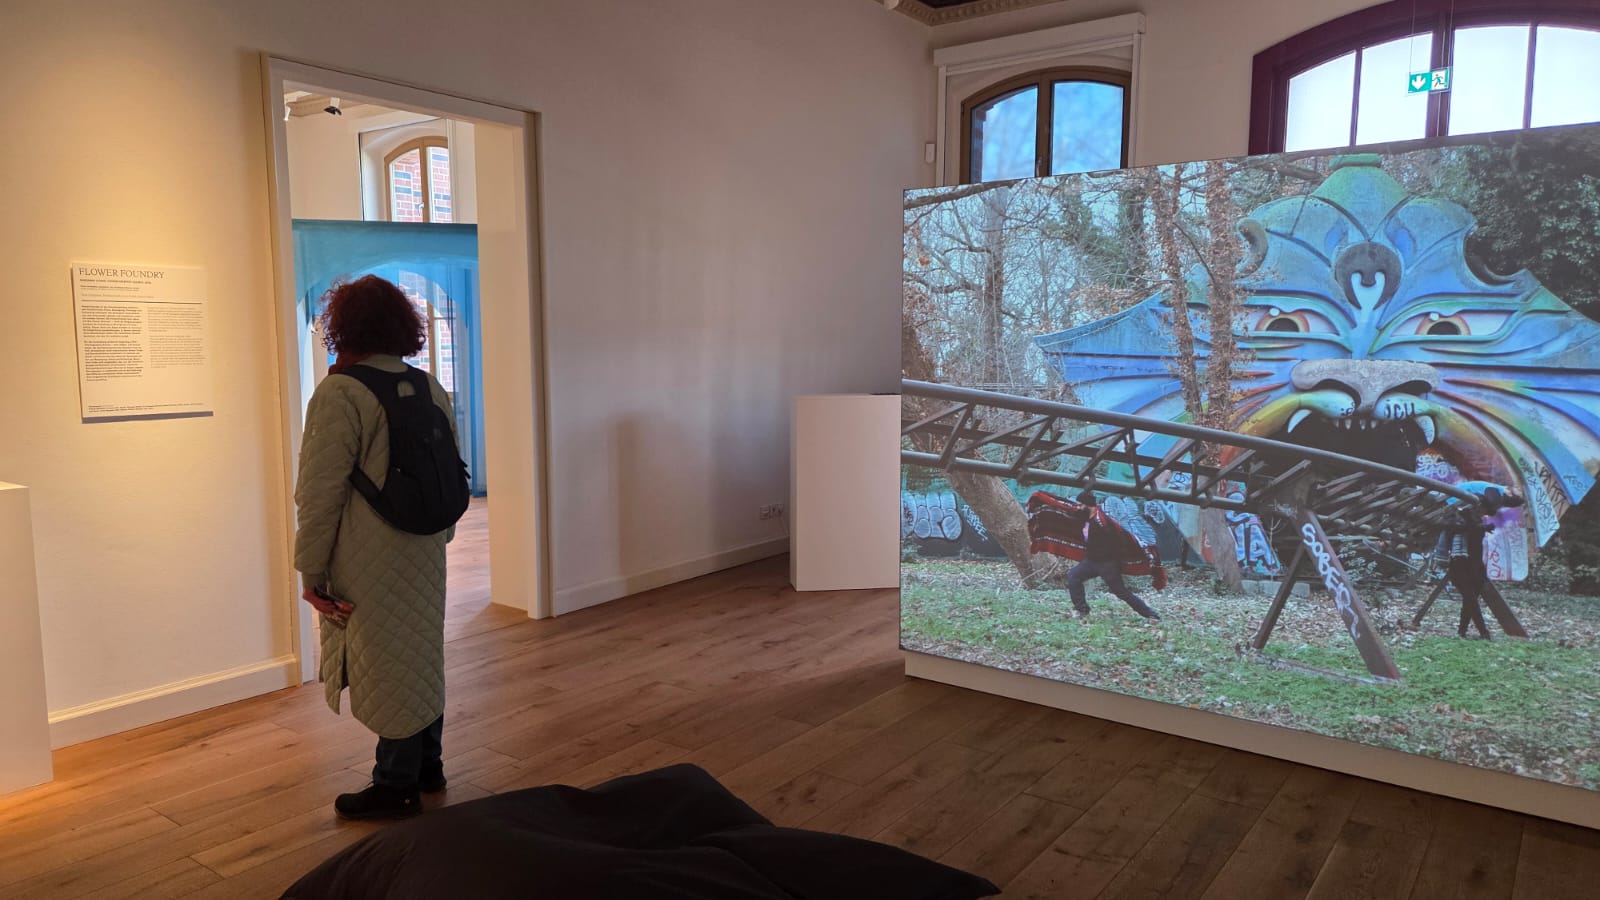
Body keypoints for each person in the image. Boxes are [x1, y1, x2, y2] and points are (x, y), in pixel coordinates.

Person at [294, 274, 459, 819]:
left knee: (387, 662)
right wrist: (438, 538)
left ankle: (394, 787)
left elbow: (318, 493)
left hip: (369, 553)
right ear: (401, 326)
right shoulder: (427, 384)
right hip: (425, 546)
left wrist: (310, 569)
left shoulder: (340, 393)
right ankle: (427, 767)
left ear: (342, 327)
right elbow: (445, 472)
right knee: (420, 653)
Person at [1437, 482, 1525, 639]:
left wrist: (1483, 527)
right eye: (1481, 509)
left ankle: (1463, 631)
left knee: (1471, 598)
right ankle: (1482, 632)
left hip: (1474, 564)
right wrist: (1482, 527)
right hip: (1460, 562)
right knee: (1470, 598)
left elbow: (1475, 532)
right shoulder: (1459, 522)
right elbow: (1458, 531)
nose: (1483, 512)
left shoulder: (1477, 523)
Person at [1064, 490, 1163, 621]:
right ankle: (1083, 610)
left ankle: (1151, 614)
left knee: (1121, 592)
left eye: (1079, 505)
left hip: (1107, 564)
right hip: (1091, 561)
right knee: (1073, 576)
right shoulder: (1086, 518)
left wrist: (1113, 560)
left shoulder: (1103, 522)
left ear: (1088, 505)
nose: (1077, 507)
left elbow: (1120, 539)